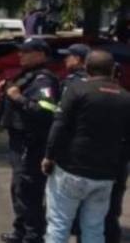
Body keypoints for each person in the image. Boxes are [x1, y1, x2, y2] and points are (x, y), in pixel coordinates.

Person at [43, 50, 130, 243]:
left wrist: (49, 156)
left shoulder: (77, 90)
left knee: (59, 224)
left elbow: (59, 126)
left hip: (71, 169)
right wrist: (119, 167)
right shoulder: (126, 98)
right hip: (105, 174)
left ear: (87, 68)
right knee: (94, 227)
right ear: (112, 69)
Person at [0, 38, 59, 243]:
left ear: (41, 54)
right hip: (18, 140)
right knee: (18, 188)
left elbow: (45, 111)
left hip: (31, 142)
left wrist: (17, 97)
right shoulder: (27, 75)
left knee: (28, 189)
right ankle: (21, 231)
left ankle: (33, 236)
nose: (20, 55)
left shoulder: (44, 79)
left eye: (26, 51)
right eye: (21, 51)